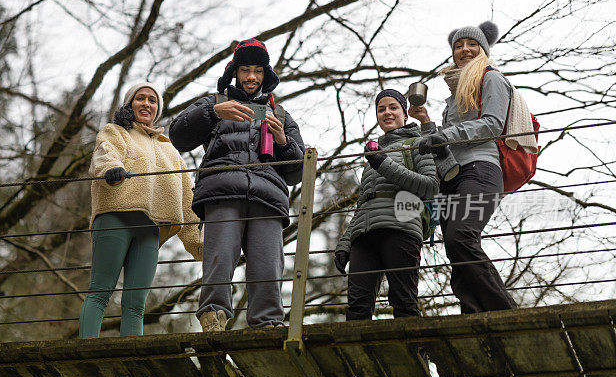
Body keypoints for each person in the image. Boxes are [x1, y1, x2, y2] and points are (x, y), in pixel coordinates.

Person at [169, 39, 305, 331]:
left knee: (268, 265)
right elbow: (178, 136)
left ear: (265, 75)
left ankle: (267, 324)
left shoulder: (281, 115)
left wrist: (282, 140)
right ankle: (213, 316)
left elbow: (297, 173)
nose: (251, 77)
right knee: (219, 257)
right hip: (222, 191)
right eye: (245, 70)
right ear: (235, 72)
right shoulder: (214, 103)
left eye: (257, 70)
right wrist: (215, 113)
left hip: (268, 198)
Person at [409, 21, 518, 314]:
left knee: (461, 236)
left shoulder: (491, 78)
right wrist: (427, 124)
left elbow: (493, 125)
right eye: (458, 45)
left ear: (483, 48)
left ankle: (505, 312)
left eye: (472, 44)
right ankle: (472, 317)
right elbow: (448, 142)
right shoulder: (455, 93)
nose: (464, 49)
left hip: (481, 168)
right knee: (456, 249)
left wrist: (444, 134)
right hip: (452, 176)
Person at [80, 82, 203, 338]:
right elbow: (105, 154)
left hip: (150, 229)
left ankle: (132, 359)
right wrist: (110, 171)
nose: (146, 103)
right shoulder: (116, 132)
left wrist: (200, 244)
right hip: (116, 216)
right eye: (140, 98)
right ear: (129, 104)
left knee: (136, 305)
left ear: (157, 109)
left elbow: (186, 197)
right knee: (101, 291)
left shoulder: (169, 149)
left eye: (152, 100)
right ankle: (84, 351)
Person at [334, 90, 439, 320]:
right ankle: (361, 356)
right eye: (381, 109)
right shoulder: (374, 156)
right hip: (364, 234)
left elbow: (431, 186)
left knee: (403, 299)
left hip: (402, 227)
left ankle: (414, 354)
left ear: (405, 114)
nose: (387, 113)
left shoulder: (418, 144)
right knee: (357, 306)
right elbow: (364, 202)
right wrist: (345, 243)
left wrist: (384, 164)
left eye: (393, 107)